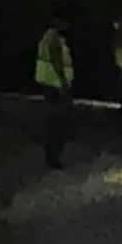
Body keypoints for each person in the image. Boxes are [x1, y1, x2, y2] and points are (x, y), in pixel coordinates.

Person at [34, 15, 73, 169]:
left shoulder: (48, 37)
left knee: (55, 122)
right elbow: (57, 60)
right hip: (54, 85)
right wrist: (63, 82)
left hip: (51, 83)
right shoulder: (54, 38)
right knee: (58, 122)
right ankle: (53, 156)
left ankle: (52, 155)